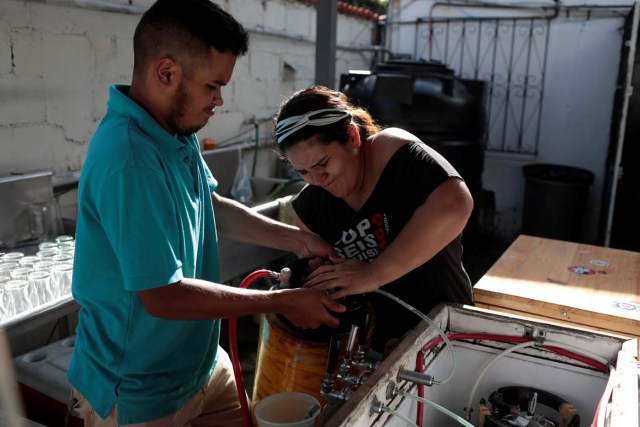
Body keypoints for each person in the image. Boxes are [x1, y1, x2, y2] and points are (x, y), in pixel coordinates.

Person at [67, 2, 345, 426]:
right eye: (213, 86)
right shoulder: (129, 160)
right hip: (139, 392)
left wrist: (299, 239)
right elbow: (164, 295)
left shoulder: (173, 128)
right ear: (166, 73)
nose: (219, 100)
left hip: (201, 367)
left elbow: (210, 206)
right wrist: (284, 301)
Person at [274, 86, 475, 355]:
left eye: (322, 164)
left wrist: (372, 274)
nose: (316, 180)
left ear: (352, 136)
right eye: (303, 172)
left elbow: (455, 203)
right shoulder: (310, 208)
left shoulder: (389, 150)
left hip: (447, 331)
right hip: (375, 351)